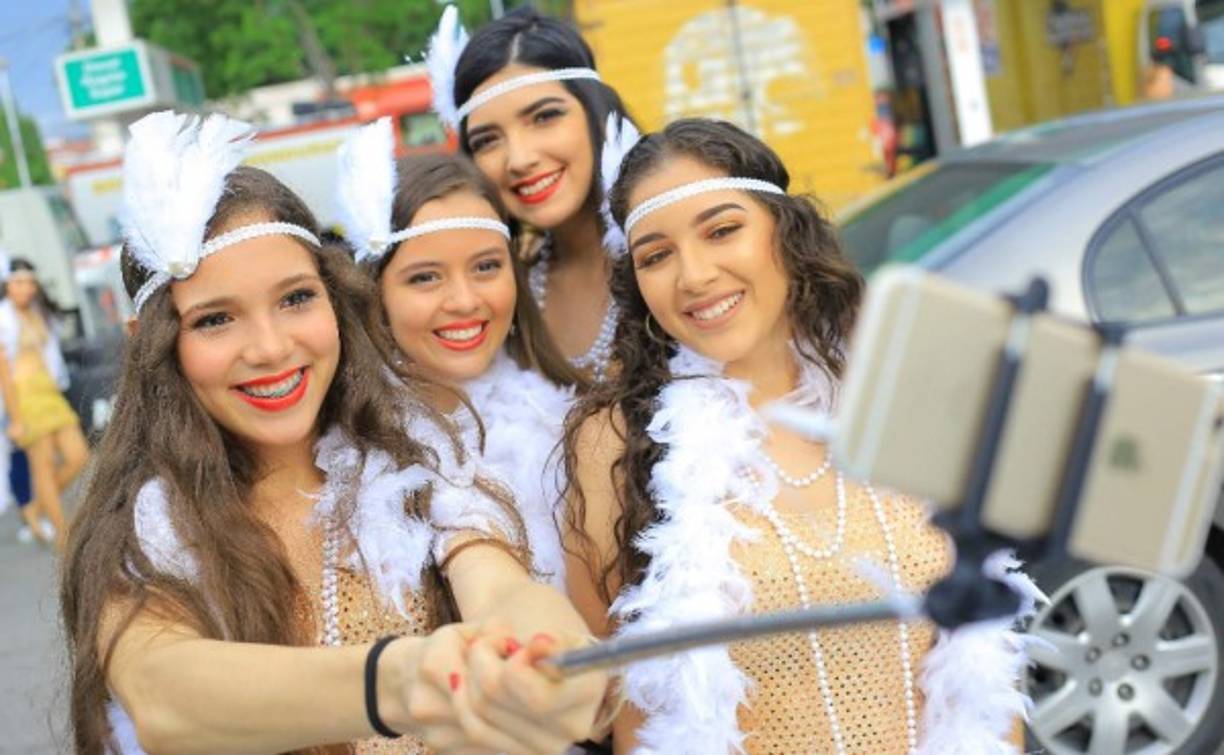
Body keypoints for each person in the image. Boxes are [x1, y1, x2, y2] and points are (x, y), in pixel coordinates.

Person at [61, 111, 606, 755]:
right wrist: (397, 680)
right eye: (215, 320)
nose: (271, 348)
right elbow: (162, 693)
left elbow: (500, 585)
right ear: (152, 344)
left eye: (295, 298)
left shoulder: (420, 459)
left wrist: (543, 657)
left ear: (335, 298)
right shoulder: (141, 525)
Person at [562, 118, 1038, 754]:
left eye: (721, 231)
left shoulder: (901, 389)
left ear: (784, 230)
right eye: (656, 256)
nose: (693, 275)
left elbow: (987, 665)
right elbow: (621, 699)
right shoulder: (616, 441)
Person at [337, 118, 581, 591]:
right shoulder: (339, 458)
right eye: (425, 277)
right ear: (374, 293)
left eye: (486, 267)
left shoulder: (572, 428)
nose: (465, 301)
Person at [430, 5, 639, 382]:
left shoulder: (674, 255)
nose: (519, 159)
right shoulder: (496, 295)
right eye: (487, 140)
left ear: (595, 112)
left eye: (544, 117)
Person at [0, 255, 89, 550]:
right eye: (18, 282)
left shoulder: (36, 312)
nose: (25, 288)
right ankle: (63, 535)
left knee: (79, 455)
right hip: (23, 395)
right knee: (44, 465)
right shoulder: (3, 318)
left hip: (48, 391)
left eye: (29, 282)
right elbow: (4, 374)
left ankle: (35, 508)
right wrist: (15, 419)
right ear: (8, 285)